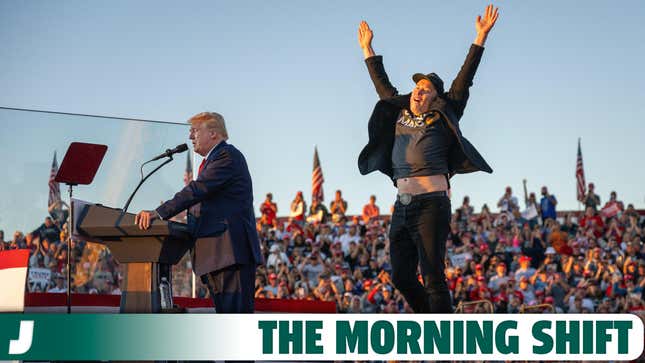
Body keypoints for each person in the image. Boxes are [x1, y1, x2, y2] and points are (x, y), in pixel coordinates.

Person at [356, 4, 498, 313]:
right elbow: (382, 84)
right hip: (402, 206)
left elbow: (465, 79)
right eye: (418, 87)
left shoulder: (444, 113)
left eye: (427, 89)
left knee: (433, 275)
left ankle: (442, 340)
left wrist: (480, 37)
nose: (419, 91)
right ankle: (429, 324)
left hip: (432, 203)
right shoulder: (398, 111)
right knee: (402, 277)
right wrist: (368, 48)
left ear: (436, 97)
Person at [135, 112, 263, 313]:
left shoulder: (226, 156)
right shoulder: (213, 160)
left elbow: (197, 189)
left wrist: (159, 213)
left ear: (213, 133)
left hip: (229, 254)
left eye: (195, 130)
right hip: (218, 256)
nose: (190, 137)